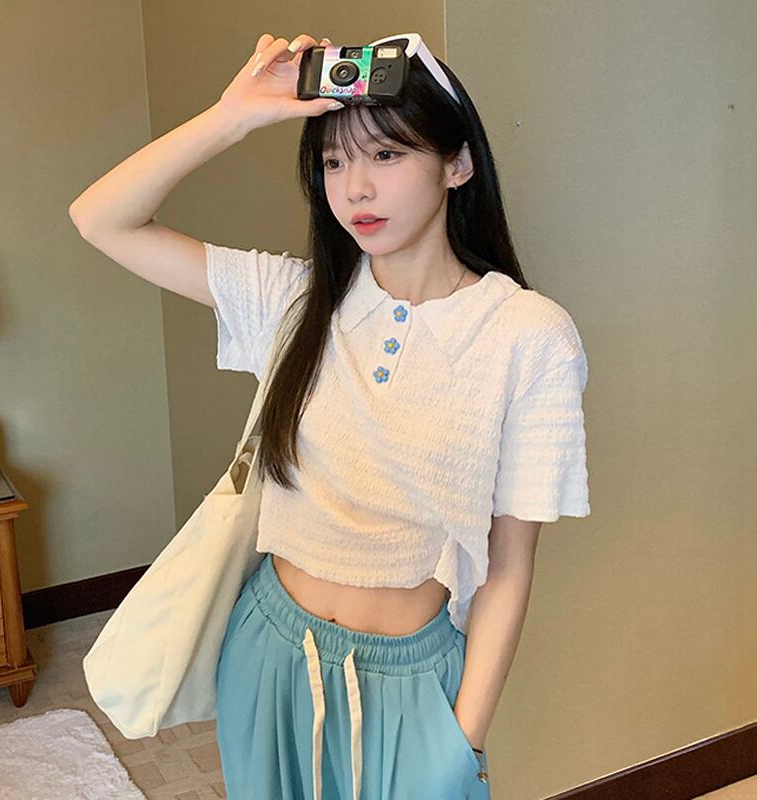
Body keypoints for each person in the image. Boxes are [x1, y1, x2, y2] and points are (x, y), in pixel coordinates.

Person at [69, 31, 590, 800]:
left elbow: (510, 564)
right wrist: (235, 114)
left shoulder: (529, 335)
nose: (356, 189)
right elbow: (100, 218)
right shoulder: (296, 300)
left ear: (457, 164)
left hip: (414, 678)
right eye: (334, 162)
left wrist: (463, 740)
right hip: (268, 648)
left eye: (386, 154)